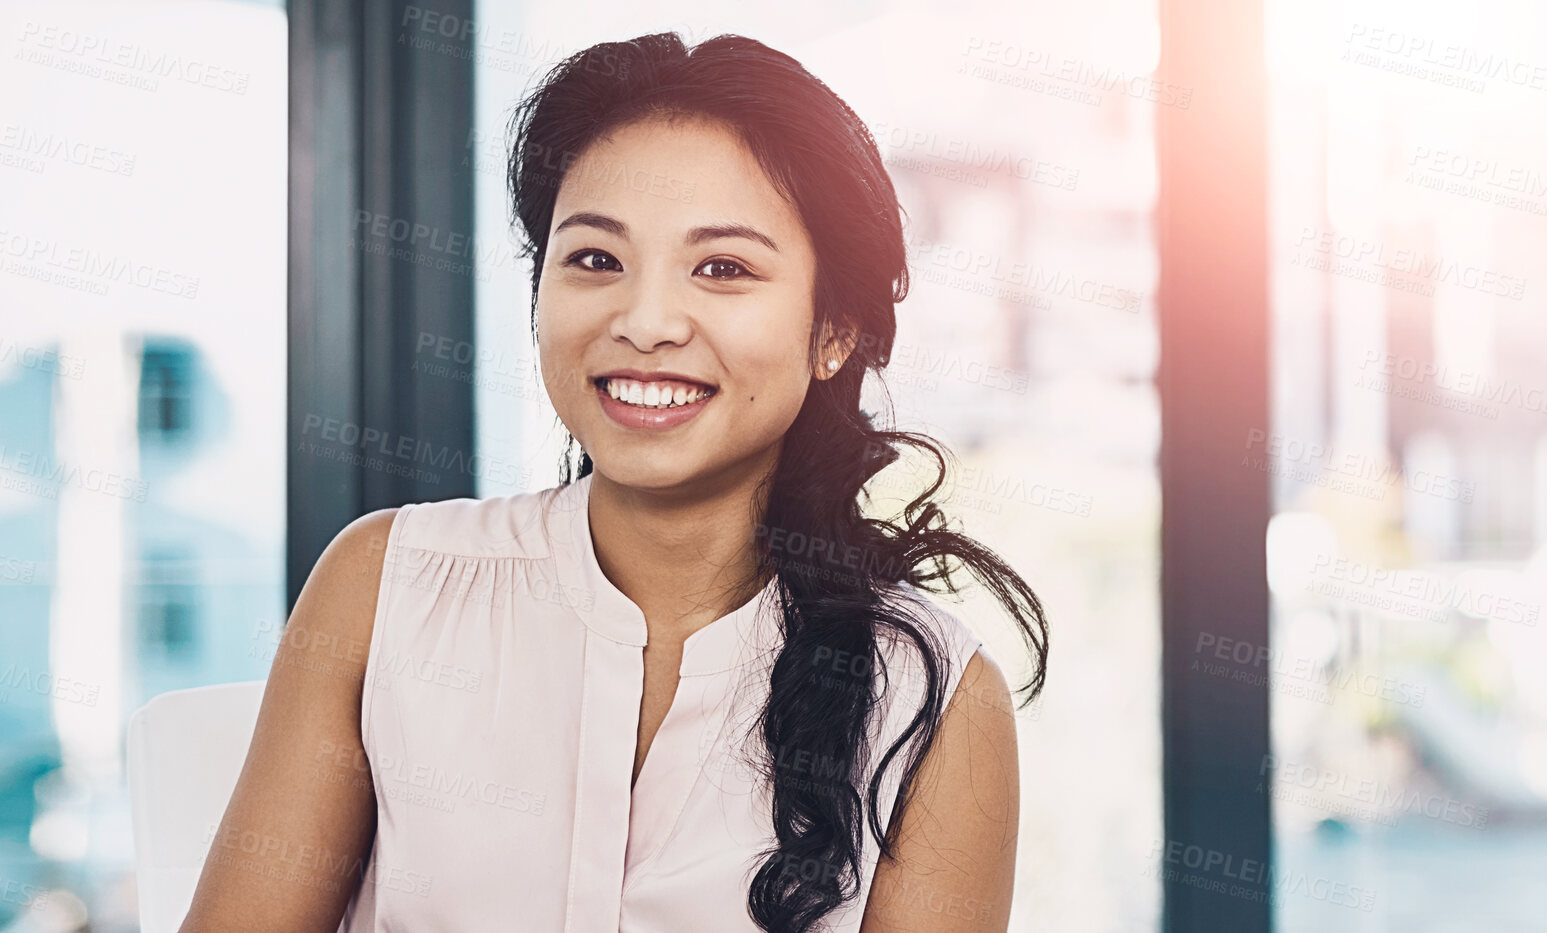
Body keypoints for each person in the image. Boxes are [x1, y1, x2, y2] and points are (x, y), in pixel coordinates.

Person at [180, 32, 1048, 933]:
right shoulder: (383, 584)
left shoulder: (931, 699)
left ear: (831, 329)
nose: (644, 321)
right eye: (596, 258)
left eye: (723, 268)